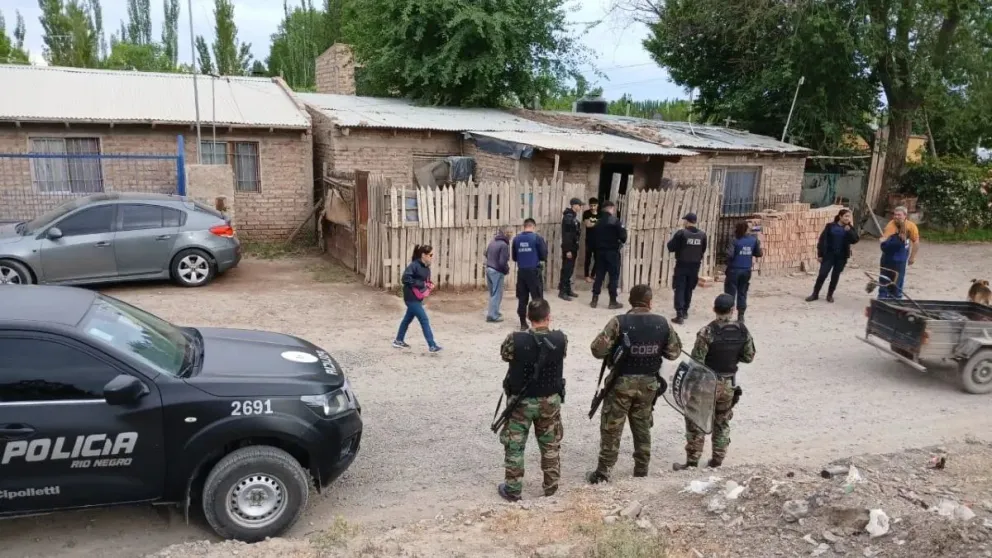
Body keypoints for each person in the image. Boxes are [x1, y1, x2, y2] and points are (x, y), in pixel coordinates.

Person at [586, 284, 681, 483]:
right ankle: (641, 470)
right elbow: (674, 352)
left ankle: (603, 473)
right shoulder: (662, 323)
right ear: (650, 302)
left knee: (612, 427)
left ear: (630, 302)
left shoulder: (619, 322)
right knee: (642, 426)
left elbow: (597, 350)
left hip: (621, 383)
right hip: (648, 384)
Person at [673, 294, 755, 471]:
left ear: (714, 309)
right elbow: (749, 357)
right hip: (728, 384)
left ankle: (692, 462)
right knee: (722, 421)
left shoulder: (707, 332)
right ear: (732, 310)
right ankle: (717, 460)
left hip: (706, 384)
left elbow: (696, 361)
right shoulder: (742, 331)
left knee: (696, 420)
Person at [497, 298, 567, 501]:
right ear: (549, 317)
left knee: (515, 445)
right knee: (550, 445)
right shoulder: (561, 339)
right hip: (549, 401)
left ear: (528, 317)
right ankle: (551, 487)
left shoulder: (515, 339)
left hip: (521, 402)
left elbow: (505, 355)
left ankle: (513, 489)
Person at [393, 244, 442, 352]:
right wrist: (421, 284)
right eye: (430, 255)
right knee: (424, 319)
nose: (432, 257)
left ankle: (398, 340)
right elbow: (405, 279)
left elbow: (425, 281)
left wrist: (430, 284)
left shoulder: (426, 267)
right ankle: (432, 345)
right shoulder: (414, 265)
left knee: (407, 319)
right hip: (411, 297)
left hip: (418, 297)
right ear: (423, 255)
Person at [806, 208, 859, 303]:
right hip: (829, 255)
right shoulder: (830, 226)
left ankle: (830, 295)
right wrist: (820, 254)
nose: (848, 218)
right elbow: (822, 240)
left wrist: (849, 231)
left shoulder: (849, 228)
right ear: (840, 216)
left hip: (841, 257)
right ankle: (815, 294)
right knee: (822, 274)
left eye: (849, 216)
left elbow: (855, 240)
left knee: (835, 276)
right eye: (846, 216)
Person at [667, 212, 708, 324]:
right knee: (689, 288)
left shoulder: (681, 233)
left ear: (687, 221)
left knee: (680, 288)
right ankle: (685, 311)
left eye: (685, 220)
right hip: (695, 265)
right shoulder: (702, 235)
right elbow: (703, 249)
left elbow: (670, 247)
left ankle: (679, 314)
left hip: (682, 264)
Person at [512, 218, 548, 330]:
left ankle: (523, 323)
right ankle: (538, 322)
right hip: (534, 272)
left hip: (521, 272)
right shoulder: (537, 238)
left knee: (522, 298)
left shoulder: (516, 239)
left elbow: (514, 257)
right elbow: (543, 255)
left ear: (524, 226)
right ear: (533, 226)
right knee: (537, 298)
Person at [877, 206, 919, 300]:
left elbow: (916, 242)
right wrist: (883, 241)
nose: (896, 217)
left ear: (905, 215)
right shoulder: (890, 225)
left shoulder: (911, 226)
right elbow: (885, 241)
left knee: (898, 278)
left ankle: (896, 297)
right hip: (888, 255)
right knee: (884, 275)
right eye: (895, 214)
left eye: (899, 215)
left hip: (901, 257)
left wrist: (912, 257)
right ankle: (882, 296)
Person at [590, 201, 627, 310]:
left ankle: (594, 300)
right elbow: (623, 237)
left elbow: (592, 240)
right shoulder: (615, 222)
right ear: (611, 208)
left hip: (600, 253)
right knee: (613, 277)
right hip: (612, 253)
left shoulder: (598, 222)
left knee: (599, 276)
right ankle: (612, 301)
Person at [724, 222, 762, 323]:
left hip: (734, 269)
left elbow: (729, 255)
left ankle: (727, 314)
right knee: (742, 292)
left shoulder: (734, 240)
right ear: (747, 229)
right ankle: (741, 316)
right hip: (746, 270)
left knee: (730, 293)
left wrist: (727, 262)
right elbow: (759, 253)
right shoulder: (753, 240)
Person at [485, 226, 513, 322]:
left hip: (489, 268)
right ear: (506, 233)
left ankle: (493, 312)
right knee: (497, 294)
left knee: (492, 293)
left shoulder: (492, 242)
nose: (511, 235)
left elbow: (486, 253)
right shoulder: (504, 245)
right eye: (510, 232)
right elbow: (502, 262)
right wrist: (506, 270)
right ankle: (493, 315)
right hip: (497, 271)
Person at [558, 198, 584, 301]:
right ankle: (562, 292)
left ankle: (568, 289)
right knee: (567, 269)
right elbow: (567, 236)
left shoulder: (572, 216)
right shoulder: (568, 218)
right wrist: (568, 250)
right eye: (579, 205)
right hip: (569, 248)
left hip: (573, 247)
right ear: (574, 205)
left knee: (569, 269)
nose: (580, 207)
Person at [582, 198, 600, 282]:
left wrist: (593, 223)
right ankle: (586, 276)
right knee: (588, 258)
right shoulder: (586, 213)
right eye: (591, 205)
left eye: (594, 205)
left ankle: (593, 275)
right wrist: (598, 223)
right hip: (589, 240)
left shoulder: (601, 214)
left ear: (597, 205)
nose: (592, 207)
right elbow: (588, 225)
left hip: (599, 240)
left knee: (598, 258)